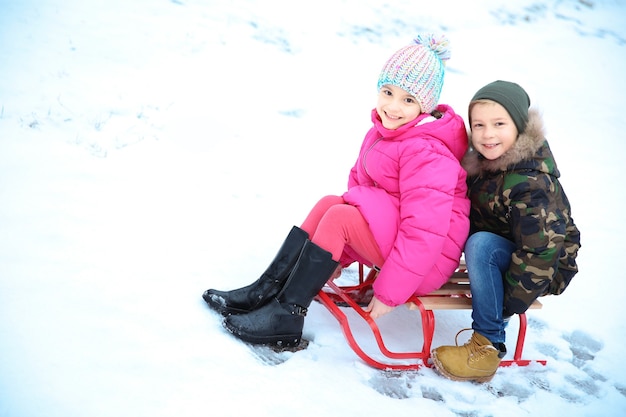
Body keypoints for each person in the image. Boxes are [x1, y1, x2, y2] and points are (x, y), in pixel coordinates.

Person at [202, 34, 471, 349]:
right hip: (400, 241)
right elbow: (362, 192)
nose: (393, 106)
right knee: (329, 204)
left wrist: (389, 293)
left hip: (425, 262)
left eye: (408, 100)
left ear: (424, 106)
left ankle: (286, 315)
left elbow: (424, 232)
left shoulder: (427, 153)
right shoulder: (385, 134)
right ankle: (266, 289)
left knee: (340, 218)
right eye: (388, 92)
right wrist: (336, 252)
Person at [431, 80, 581, 382]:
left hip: (542, 267)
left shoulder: (530, 182)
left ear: (521, 126)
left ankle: (487, 344)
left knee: (481, 245)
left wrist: (505, 304)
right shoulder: (487, 165)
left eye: (499, 124)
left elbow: (541, 251)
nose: (488, 134)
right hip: (515, 252)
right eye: (479, 125)